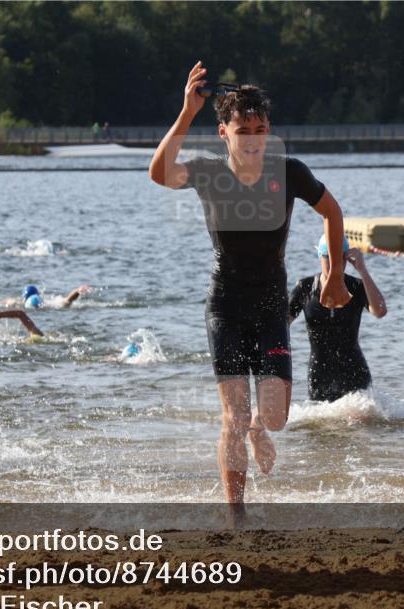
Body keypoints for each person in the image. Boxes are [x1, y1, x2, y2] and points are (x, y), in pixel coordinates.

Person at [149, 61, 351, 514]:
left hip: (269, 307)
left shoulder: (289, 171)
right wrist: (186, 113)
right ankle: (235, 515)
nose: (254, 139)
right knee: (232, 417)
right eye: (243, 131)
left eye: (260, 129)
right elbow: (160, 173)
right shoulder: (208, 173)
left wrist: (335, 274)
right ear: (224, 133)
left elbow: (333, 212)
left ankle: (261, 426)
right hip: (224, 307)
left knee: (274, 418)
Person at [288, 235, 387, 402]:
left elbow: (380, 311)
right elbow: (280, 326)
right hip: (320, 374)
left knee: (361, 423)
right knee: (320, 425)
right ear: (320, 256)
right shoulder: (305, 288)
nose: (335, 263)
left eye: (341, 257)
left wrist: (362, 270)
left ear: (347, 258)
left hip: (354, 371)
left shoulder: (357, 286)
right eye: (329, 257)